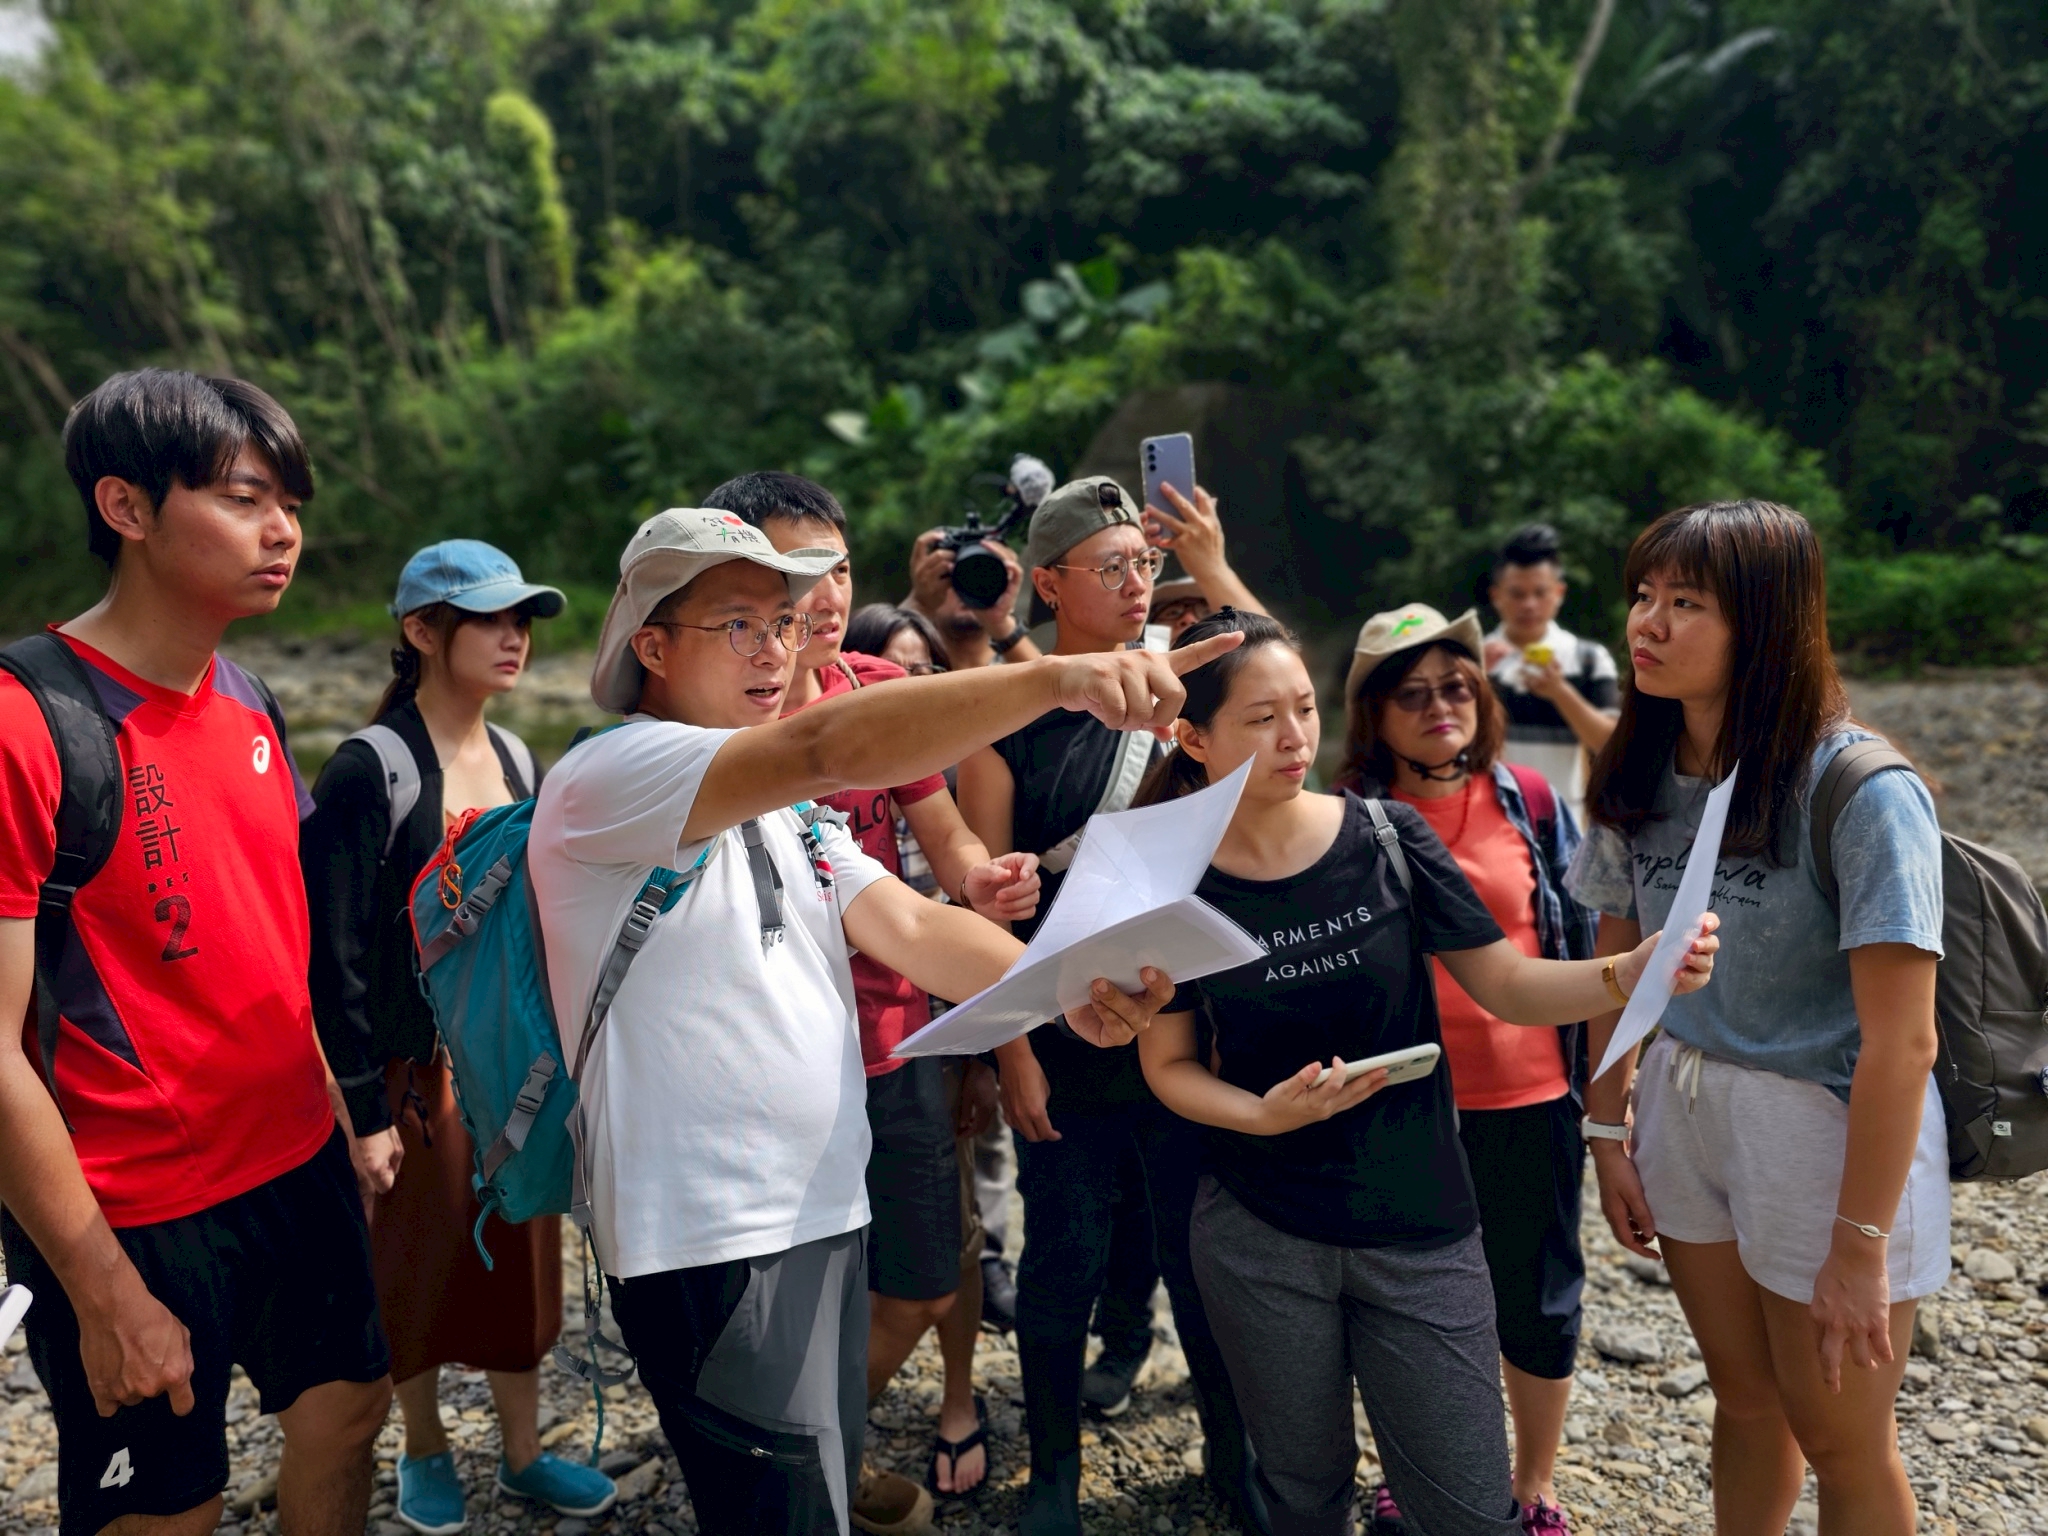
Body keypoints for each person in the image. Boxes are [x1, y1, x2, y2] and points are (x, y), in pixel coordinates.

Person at [525, 504, 1225, 1536]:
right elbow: (824, 745)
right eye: (738, 625)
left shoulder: (779, 807)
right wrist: (1058, 678)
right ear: (652, 647)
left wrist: (1077, 990)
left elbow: (910, 924)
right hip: (709, 1238)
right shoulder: (612, 775)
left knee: (817, 1488)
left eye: (784, 620)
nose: (775, 649)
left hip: (817, 1210)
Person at [1129, 608, 1718, 1536]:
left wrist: (1627, 971)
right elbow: (1165, 1062)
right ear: (1192, 738)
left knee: (1466, 1505)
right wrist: (1259, 1115)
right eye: (1260, 719)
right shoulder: (1168, 882)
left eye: (1304, 710)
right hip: (1258, 1231)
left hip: (1420, 1223)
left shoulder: (1390, 837)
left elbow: (1509, 984)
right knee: (1300, 1491)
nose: (1295, 739)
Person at [0, 369, 391, 1536]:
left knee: (350, 1412)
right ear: (125, 507)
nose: (285, 533)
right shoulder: (30, 720)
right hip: (134, 1208)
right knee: (172, 1511)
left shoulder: (247, 695)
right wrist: (101, 1287)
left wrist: (343, 1114)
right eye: (244, 498)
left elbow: (273, 944)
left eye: (291, 503)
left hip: (292, 1160)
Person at [1566, 501, 1948, 1536]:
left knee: (1840, 1442)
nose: (1645, 623)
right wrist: (1606, 1132)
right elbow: (1609, 965)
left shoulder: (1858, 790)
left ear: (1765, 625)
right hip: (1685, 1104)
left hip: (1820, 1127)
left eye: (1684, 603)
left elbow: (1902, 1041)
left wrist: (1858, 1249)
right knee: (1742, 1401)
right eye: (1642, 596)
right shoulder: (1636, 768)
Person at [703, 473, 1040, 1508]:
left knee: (922, 1278)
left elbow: (946, 838)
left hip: (892, 1037)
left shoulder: (872, 690)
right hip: (768, 1058)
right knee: (789, 1293)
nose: (829, 590)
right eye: (798, 568)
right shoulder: (708, 717)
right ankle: (799, 1474)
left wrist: (983, 878)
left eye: (840, 566)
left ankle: (802, 1458)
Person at [955, 476, 1260, 1536]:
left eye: (1146, 564)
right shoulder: (1007, 714)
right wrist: (1011, 1055)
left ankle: (1235, 1460)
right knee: (1061, 1256)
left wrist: (1212, 567)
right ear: (1046, 585)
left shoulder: (1189, 685)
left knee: (1201, 1254)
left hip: (1189, 1020)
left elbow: (1280, 690)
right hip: (1063, 1033)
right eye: (1113, 567)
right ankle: (1051, 1476)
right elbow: (986, 907)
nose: (1139, 584)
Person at [300, 541, 619, 1533]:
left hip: (507, 1067)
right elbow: (333, 956)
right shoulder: (371, 768)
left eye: (522, 617)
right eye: (488, 619)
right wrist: (361, 1112)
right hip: (411, 1077)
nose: (514, 636)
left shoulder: (522, 759)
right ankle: (424, 1447)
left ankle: (524, 1454)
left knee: (520, 1260)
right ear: (421, 632)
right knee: (418, 1268)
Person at [1332, 604, 1600, 1533]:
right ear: (1374, 715)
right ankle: (1425, 1465)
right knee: (1419, 1309)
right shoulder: (1350, 822)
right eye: (1412, 695)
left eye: (1456, 686)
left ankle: (1532, 1483)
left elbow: (1579, 935)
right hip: (1408, 1106)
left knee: (1537, 1298)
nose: (1439, 706)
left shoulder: (1529, 797)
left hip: (1532, 1098)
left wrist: (1609, 1095)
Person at [1482, 524, 1618, 822]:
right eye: (1517, 594)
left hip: (1561, 821)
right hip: (1489, 819)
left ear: (1559, 593)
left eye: (1540, 592)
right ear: (1496, 596)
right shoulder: (1474, 659)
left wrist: (1560, 691)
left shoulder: (1587, 659)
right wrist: (1477, 680)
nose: (1529, 604)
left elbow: (1612, 746)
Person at [905, 523, 1042, 671]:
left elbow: (1052, 687)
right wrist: (919, 604)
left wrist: (1001, 624)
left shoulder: (1015, 665)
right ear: (927, 583)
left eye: (984, 575)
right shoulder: (913, 667)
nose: (971, 585)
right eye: (958, 575)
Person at [1139, 480, 1265, 639]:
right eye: (1172, 613)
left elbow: (1269, 650)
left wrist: (1212, 567)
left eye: (1208, 615)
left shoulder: (1246, 659)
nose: (1189, 620)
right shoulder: (1123, 658)